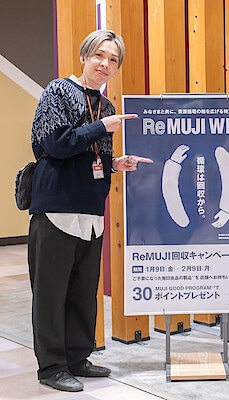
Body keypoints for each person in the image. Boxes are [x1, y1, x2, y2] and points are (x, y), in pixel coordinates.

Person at [28, 29, 153, 392]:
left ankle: (77, 357)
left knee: (83, 291)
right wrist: (100, 127)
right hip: (57, 208)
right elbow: (55, 145)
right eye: (99, 55)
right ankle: (52, 367)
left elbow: (90, 156)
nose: (105, 64)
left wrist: (115, 164)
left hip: (91, 210)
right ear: (84, 56)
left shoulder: (107, 107)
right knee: (51, 294)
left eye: (113, 60)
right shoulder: (58, 91)